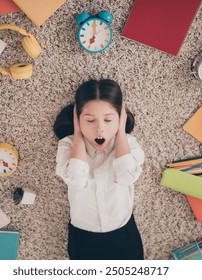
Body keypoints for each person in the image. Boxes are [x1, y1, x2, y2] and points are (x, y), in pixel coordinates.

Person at [54, 79, 145, 260]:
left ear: (120, 118)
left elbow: (127, 177)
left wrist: (120, 132)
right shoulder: (68, 144)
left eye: (108, 120)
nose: (99, 129)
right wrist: (78, 134)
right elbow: (76, 180)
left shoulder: (129, 144)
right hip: (83, 235)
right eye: (89, 120)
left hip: (123, 231)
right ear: (78, 119)